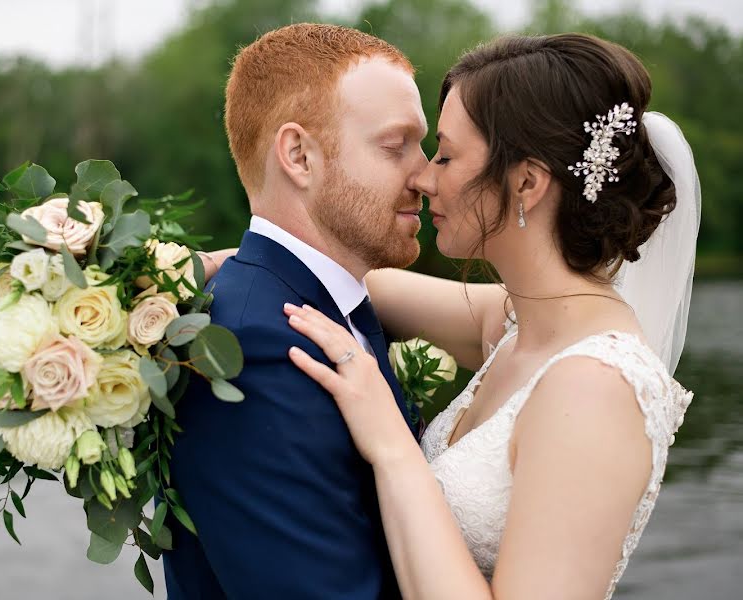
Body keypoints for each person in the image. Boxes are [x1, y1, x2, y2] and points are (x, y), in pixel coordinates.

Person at [282, 33, 699, 599]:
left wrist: (390, 443)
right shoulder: (517, 323)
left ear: (526, 182)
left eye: (448, 156)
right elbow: (365, 286)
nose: (424, 178)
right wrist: (207, 267)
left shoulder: (595, 389)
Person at [163, 23, 429, 599]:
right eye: (395, 146)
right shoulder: (246, 350)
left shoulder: (329, 305)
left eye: (424, 144)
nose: (426, 174)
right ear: (299, 155)